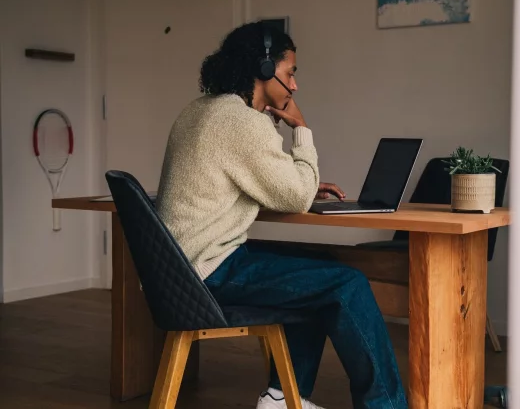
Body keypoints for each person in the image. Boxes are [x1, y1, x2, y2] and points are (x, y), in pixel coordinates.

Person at [156, 21, 407, 409]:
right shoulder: (242, 121)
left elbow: (250, 179)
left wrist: (294, 182)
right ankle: (387, 406)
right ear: (264, 68)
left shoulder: (200, 111)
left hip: (178, 271)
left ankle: (281, 397)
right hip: (210, 272)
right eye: (290, 73)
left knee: (318, 269)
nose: (294, 85)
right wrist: (301, 131)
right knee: (346, 284)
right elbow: (295, 194)